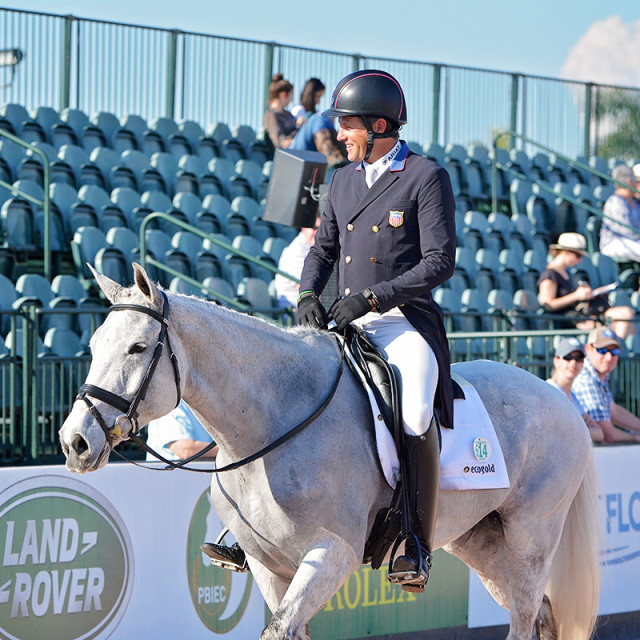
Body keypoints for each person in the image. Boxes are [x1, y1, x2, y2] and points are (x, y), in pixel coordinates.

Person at [296, 69, 457, 593]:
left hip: (402, 322)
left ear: (380, 125)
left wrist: (372, 297)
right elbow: (321, 251)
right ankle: (248, 528)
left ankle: (416, 540)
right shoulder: (341, 179)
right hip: (343, 318)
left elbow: (439, 261)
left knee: (412, 411)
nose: (340, 134)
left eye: (348, 125)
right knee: (289, 389)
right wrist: (305, 296)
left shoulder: (424, 176)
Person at [537, 232, 635, 340]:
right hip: (570, 320)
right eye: (578, 255)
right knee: (622, 317)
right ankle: (615, 351)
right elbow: (547, 304)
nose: (580, 260)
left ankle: (617, 350)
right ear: (565, 252)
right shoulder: (549, 274)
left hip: (583, 315)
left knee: (626, 314)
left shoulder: (567, 273)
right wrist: (576, 295)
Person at [572, 326, 640, 443]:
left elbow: (613, 410)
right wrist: (635, 438)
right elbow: (608, 434)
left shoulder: (597, 374)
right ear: (588, 349)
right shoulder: (586, 379)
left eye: (614, 351)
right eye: (602, 350)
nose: (609, 357)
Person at [546, 337, 604, 443]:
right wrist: (582, 426)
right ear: (556, 361)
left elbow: (599, 433)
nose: (573, 362)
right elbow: (558, 431)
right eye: (568, 357)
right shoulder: (548, 392)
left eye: (579, 358)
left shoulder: (573, 396)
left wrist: (575, 428)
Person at [145, 400, 218, 461]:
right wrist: (227, 450)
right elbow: (185, 450)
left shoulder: (209, 404)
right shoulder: (172, 405)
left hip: (199, 474)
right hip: (170, 476)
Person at [274, 217, 320, 309]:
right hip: (294, 312)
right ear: (304, 228)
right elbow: (306, 289)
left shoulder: (313, 247)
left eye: (321, 229)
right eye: (314, 228)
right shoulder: (295, 251)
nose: (317, 233)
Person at [599, 163, 640, 264]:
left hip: (632, 241)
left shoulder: (634, 201)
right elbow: (626, 231)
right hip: (613, 242)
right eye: (635, 180)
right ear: (629, 181)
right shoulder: (615, 202)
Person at [263, 73, 298, 149]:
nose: (291, 99)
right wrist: (297, 129)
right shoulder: (271, 116)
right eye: (290, 96)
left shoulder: (288, 114)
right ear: (283, 95)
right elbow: (281, 142)